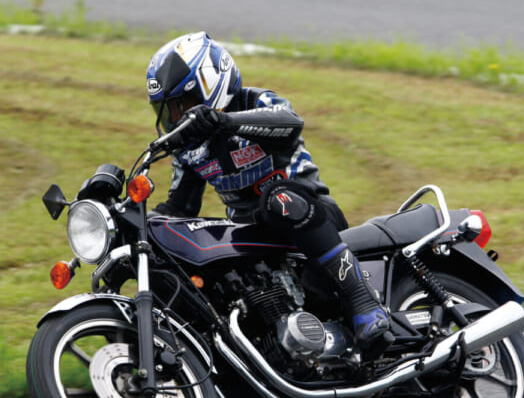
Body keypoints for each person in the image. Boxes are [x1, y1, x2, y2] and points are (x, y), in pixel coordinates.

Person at [146, 32, 390, 351]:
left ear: (210, 85)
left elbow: (291, 124)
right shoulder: (189, 150)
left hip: (311, 218)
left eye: (184, 105)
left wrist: (223, 121)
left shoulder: (257, 102)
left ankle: (362, 298)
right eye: (169, 112)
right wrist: (134, 222)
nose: (178, 119)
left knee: (277, 200)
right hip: (252, 237)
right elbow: (179, 209)